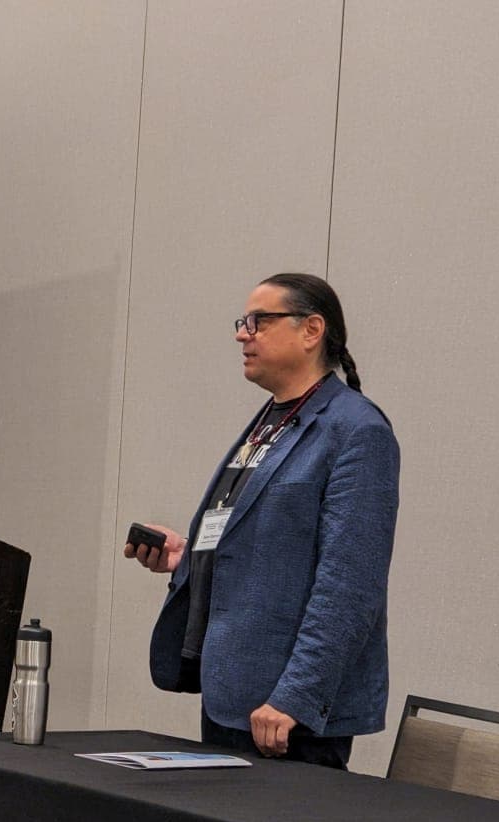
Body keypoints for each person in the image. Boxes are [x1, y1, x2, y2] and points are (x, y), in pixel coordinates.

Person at [127, 273, 399, 769]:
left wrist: (296, 696)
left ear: (311, 330)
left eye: (259, 321)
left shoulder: (356, 431)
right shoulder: (271, 420)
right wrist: (189, 559)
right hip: (232, 693)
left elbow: (350, 586)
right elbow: (265, 548)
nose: (242, 334)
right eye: (243, 322)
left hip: (286, 714)